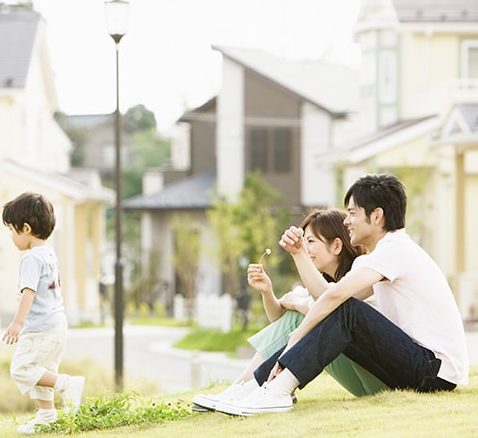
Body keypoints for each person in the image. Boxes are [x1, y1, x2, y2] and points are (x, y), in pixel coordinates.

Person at [215, 173, 469, 416]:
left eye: (352, 213)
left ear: (377, 216)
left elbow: (336, 300)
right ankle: (257, 386)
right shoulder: (384, 255)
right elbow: (330, 299)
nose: (346, 221)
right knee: (340, 309)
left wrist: (289, 350)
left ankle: (276, 390)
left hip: (433, 371)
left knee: (344, 308)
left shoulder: (395, 250)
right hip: (418, 366)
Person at [192, 209, 388, 411]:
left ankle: (250, 387)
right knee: (300, 316)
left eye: (311, 241)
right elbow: (281, 319)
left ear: (337, 245)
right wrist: (267, 292)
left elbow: (330, 304)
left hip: (379, 375)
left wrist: (299, 296)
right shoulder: (321, 283)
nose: (305, 247)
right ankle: (242, 387)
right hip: (358, 379)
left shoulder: (362, 271)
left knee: (314, 315)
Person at [1, 192, 85, 434]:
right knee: (42, 371)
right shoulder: (49, 254)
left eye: (12, 230)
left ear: (26, 228)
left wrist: (17, 323)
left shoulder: (31, 259)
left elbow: (29, 293)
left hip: (40, 328)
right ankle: (47, 416)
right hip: (57, 324)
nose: (11, 237)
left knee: (22, 369)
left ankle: (67, 384)